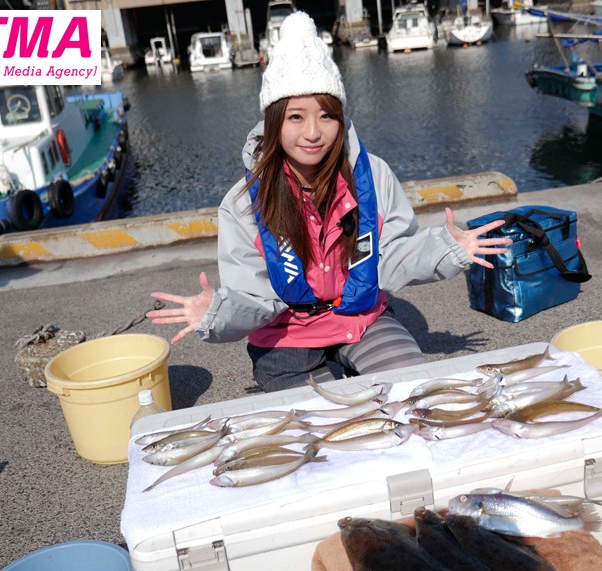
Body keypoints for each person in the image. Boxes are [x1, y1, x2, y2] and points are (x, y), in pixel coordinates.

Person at [147, 11, 512, 393]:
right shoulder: (241, 202)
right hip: (287, 336)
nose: (312, 132)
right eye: (295, 117)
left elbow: (390, 256)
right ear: (273, 123)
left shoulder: (374, 175)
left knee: (412, 390)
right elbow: (254, 297)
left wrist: (445, 248)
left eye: (326, 115)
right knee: (326, 419)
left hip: (361, 319)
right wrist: (217, 313)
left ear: (341, 118)